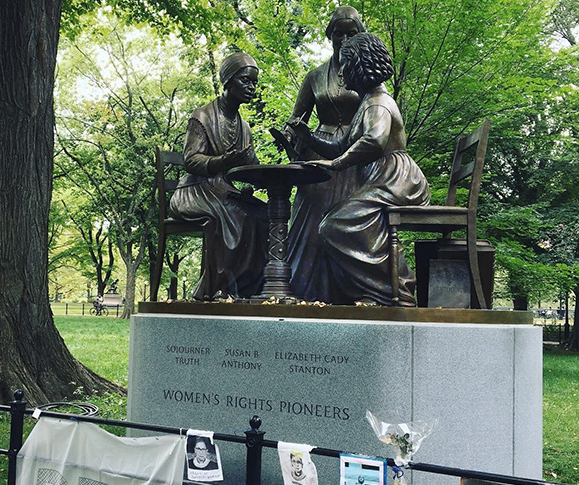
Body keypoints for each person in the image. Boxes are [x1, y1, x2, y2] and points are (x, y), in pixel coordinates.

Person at [290, 33, 430, 306]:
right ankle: (379, 289)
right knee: (339, 223)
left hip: (396, 181)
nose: (340, 73)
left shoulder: (377, 102)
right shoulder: (366, 103)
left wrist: (336, 164)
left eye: (345, 65)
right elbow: (341, 144)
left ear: (359, 65)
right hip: (382, 180)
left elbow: (375, 141)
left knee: (337, 224)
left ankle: (395, 292)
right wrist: (308, 138)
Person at [283, 7, 366, 303]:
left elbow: (378, 118)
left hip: (355, 153)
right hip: (318, 150)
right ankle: (304, 291)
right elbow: (296, 119)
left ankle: (349, 292)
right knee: (308, 222)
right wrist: (290, 135)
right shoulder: (315, 76)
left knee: (347, 222)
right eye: (338, 33)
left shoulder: (365, 74)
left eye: (351, 33)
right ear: (329, 36)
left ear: (360, 35)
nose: (344, 39)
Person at [170, 53, 268, 301]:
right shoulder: (201, 117)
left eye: (254, 83)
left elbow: (250, 164)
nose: (251, 87)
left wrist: (252, 182)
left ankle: (247, 288)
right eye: (246, 81)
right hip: (194, 190)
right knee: (236, 215)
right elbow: (191, 160)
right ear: (228, 81)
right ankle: (218, 288)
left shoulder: (244, 127)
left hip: (223, 190)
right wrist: (222, 162)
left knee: (263, 214)